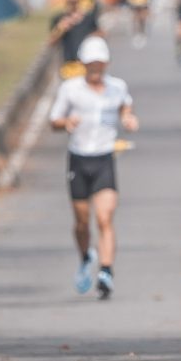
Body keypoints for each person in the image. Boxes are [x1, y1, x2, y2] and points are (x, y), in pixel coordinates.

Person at [49, 36, 139, 299]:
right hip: (79, 158)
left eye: (100, 64)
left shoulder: (117, 87)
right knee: (81, 222)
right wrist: (66, 122)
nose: (96, 69)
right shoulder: (71, 89)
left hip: (104, 158)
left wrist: (128, 118)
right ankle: (86, 255)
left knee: (104, 218)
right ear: (83, 64)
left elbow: (126, 105)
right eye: (91, 64)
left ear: (107, 63)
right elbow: (53, 120)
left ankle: (106, 271)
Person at [49, 0, 101, 79]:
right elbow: (51, 42)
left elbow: (99, 34)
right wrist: (61, 29)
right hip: (69, 65)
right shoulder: (59, 19)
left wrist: (91, 37)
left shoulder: (88, 17)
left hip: (86, 64)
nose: (73, 0)